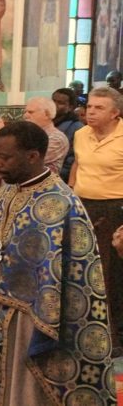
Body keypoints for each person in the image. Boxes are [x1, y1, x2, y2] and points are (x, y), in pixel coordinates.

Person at [0, 121, 116, 404]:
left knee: (23, 388)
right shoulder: (3, 194)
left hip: (33, 318)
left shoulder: (62, 203)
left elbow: (77, 276)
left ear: (33, 156)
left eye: (5, 157)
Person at [69, 87, 123, 351]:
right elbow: (79, 166)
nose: (90, 111)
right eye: (89, 106)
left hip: (115, 211)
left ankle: (112, 338)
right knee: (81, 271)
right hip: (83, 207)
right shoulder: (80, 135)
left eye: (98, 108)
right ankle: (83, 329)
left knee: (109, 276)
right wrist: (69, 195)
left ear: (115, 113)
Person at [0, 97, 69, 174]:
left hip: (40, 185)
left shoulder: (57, 138)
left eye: (30, 112)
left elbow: (22, 161)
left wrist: (1, 137)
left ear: (47, 114)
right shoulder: (22, 134)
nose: (25, 115)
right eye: (25, 112)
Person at [52, 87, 84, 180]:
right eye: (53, 101)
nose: (55, 105)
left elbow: (74, 158)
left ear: (70, 107)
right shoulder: (46, 122)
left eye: (60, 103)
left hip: (61, 177)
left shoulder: (77, 127)